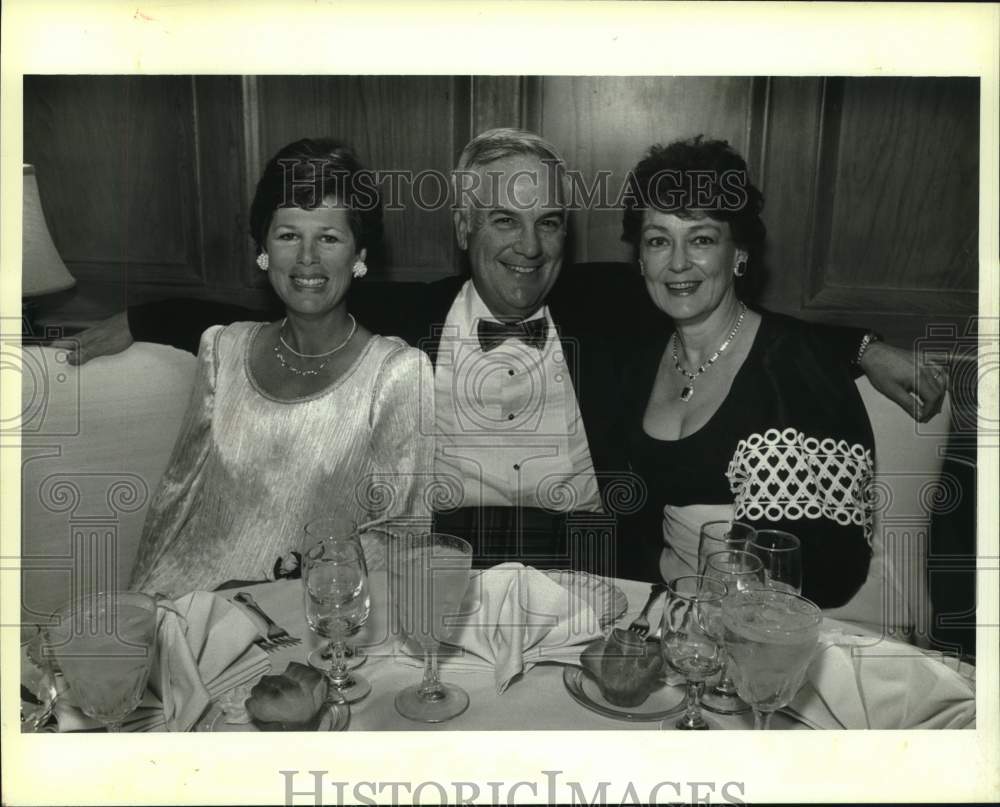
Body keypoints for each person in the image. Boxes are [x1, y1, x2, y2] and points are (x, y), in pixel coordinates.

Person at [64, 129, 945, 579]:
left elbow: (722, 297)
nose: (528, 247)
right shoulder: (401, 320)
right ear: (461, 226)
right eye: (503, 220)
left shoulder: (612, 307)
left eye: (549, 221)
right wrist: (146, 314)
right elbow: (291, 288)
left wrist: (860, 346)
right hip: (448, 586)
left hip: (599, 584)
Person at [128, 138, 434, 597]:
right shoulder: (222, 348)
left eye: (329, 238)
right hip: (186, 602)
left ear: (360, 257)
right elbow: (176, 498)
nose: (307, 258)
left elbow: (399, 537)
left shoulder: (399, 374)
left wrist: (267, 593)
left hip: (310, 616)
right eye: (289, 235)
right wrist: (135, 607)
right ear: (264, 250)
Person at [620, 136, 876, 607]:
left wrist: (865, 347)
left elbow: (829, 570)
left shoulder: (794, 368)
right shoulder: (635, 359)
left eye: (701, 239)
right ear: (639, 259)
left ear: (738, 253)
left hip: (766, 625)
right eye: (658, 241)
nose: (677, 263)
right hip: (661, 615)